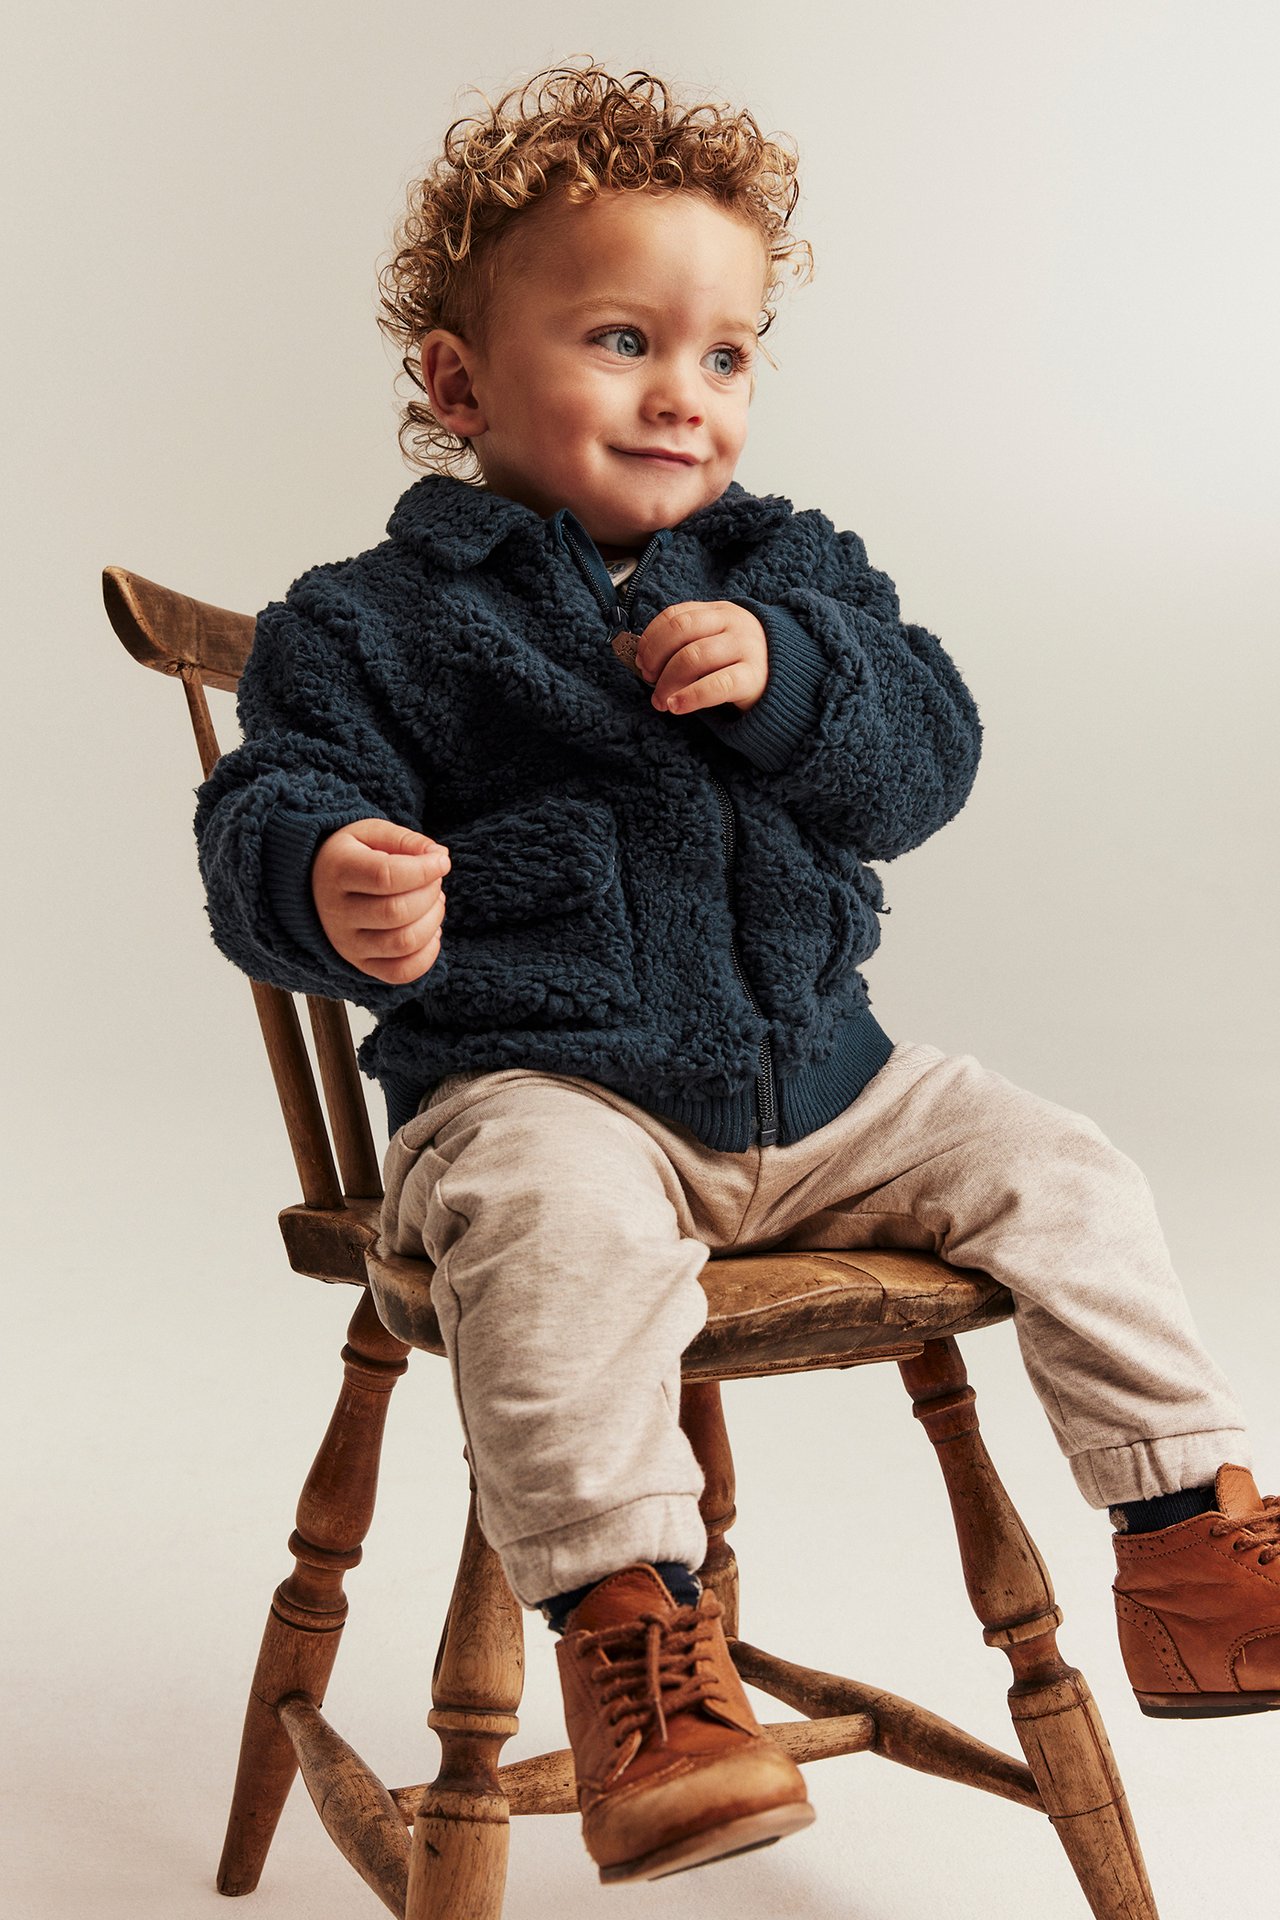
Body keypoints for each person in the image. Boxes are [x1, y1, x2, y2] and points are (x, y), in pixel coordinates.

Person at [193, 60, 1280, 1886]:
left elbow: (927, 757)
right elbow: (271, 804)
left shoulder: (797, 569)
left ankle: (1189, 1540)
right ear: (458, 382)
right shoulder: (370, 621)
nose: (682, 396)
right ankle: (639, 1647)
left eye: (726, 354)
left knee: (1063, 1162)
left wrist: (795, 676)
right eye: (622, 338)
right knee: (557, 1229)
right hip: (543, 1091)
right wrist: (327, 871)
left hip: (832, 1087)